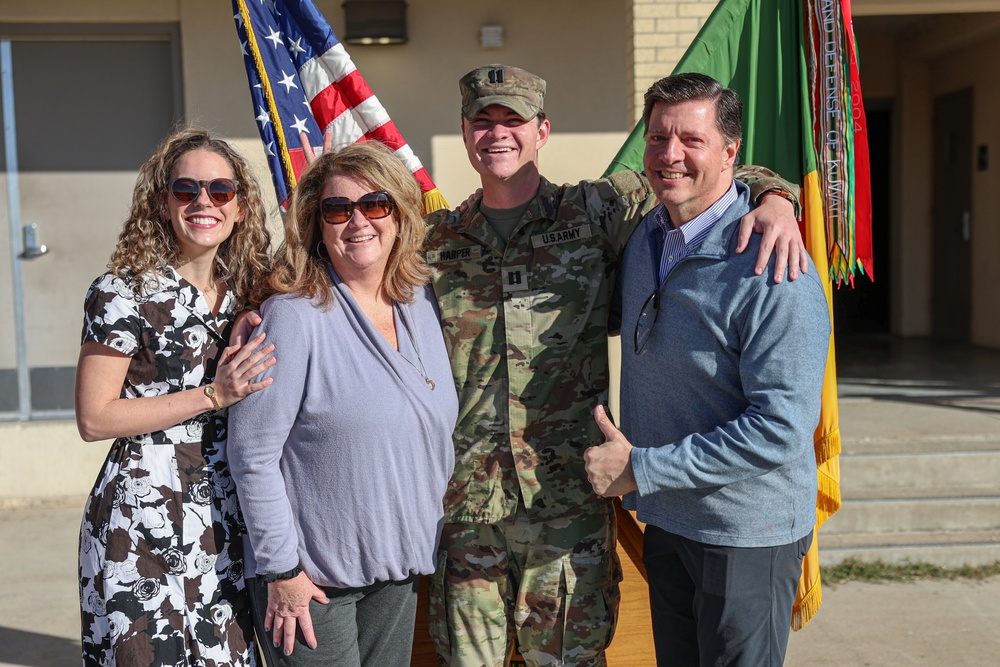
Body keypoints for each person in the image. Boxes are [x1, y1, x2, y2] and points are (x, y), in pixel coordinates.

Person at [422, 64, 808, 667]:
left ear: (542, 130)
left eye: (513, 120)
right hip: (470, 508)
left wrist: (777, 199)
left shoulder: (598, 213)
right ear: (465, 132)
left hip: (570, 504)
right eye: (482, 120)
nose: (497, 134)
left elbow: (707, 171)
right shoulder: (431, 243)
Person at [583, 72, 831, 666]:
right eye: (658, 137)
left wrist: (641, 466)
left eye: (691, 140)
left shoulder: (775, 268)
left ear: (731, 154)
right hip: (670, 517)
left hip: (745, 532)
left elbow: (780, 428)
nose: (671, 155)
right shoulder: (644, 232)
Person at [227, 141, 459, 667]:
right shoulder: (292, 316)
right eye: (337, 209)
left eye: (374, 204)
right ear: (317, 224)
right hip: (310, 584)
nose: (358, 220)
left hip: (396, 570)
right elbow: (252, 456)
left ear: (400, 215)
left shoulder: (420, 302)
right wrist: (282, 572)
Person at [75, 127, 274, 666]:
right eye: (186, 191)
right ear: (162, 204)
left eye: (220, 191)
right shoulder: (121, 292)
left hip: (227, 514)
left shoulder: (253, 287)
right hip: (142, 517)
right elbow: (94, 418)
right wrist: (214, 393)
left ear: (241, 205)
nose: (203, 203)